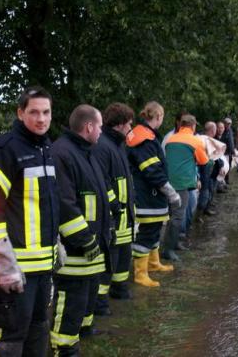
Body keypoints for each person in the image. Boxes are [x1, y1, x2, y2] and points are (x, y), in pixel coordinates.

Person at [0, 86, 59, 356]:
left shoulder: (45, 147)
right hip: (15, 269)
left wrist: (56, 243)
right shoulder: (4, 149)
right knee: (7, 338)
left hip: (42, 266)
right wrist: (4, 263)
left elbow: (46, 204)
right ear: (20, 113)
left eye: (46, 112)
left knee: (38, 329)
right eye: (34, 112)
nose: (41, 119)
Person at [50, 105, 112, 356]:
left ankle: (83, 332)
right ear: (89, 127)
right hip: (75, 249)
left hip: (91, 243)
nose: (101, 132)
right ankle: (63, 349)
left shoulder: (85, 152)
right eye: (99, 127)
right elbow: (65, 203)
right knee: (70, 301)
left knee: (86, 296)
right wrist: (84, 238)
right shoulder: (62, 153)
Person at [126, 102, 180, 286]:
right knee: (147, 233)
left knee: (155, 230)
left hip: (152, 195)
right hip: (147, 195)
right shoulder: (144, 139)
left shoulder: (145, 135)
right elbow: (152, 171)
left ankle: (153, 263)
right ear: (158, 116)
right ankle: (140, 273)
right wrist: (170, 191)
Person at [92, 102, 136, 316]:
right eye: (129, 124)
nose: (131, 128)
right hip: (113, 214)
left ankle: (119, 289)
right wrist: (115, 206)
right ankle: (100, 302)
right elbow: (103, 181)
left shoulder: (117, 143)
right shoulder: (103, 145)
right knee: (109, 258)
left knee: (123, 254)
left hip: (123, 213)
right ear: (119, 125)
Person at [164, 114, 210, 261]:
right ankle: (168, 250)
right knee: (178, 216)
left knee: (173, 214)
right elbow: (204, 162)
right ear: (193, 126)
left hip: (168, 182)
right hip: (182, 183)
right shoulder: (195, 141)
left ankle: (175, 243)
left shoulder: (171, 139)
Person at [217, 118, 234, 185]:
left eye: (230, 123)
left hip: (229, 152)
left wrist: (232, 150)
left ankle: (226, 180)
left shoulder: (230, 130)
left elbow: (231, 141)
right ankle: (222, 182)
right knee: (222, 167)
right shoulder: (222, 132)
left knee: (228, 166)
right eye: (227, 123)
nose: (229, 125)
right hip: (223, 153)